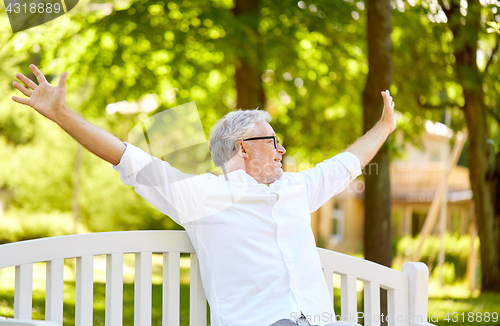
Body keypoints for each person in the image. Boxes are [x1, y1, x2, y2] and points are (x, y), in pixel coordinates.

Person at [11, 65, 397, 326]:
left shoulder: (296, 189)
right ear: (244, 148)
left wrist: (384, 126)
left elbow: (347, 162)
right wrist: (61, 114)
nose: (282, 150)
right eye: (274, 141)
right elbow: (127, 157)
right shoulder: (201, 196)